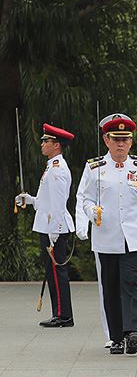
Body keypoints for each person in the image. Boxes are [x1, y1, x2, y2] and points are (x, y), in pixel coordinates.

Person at [77, 113, 137, 355]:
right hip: (105, 238)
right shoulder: (94, 168)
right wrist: (91, 212)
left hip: (133, 238)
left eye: (125, 139)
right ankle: (115, 337)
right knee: (111, 288)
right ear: (106, 140)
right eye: (116, 139)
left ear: (131, 141)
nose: (121, 143)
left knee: (130, 284)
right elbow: (83, 198)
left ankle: (132, 332)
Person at [16, 123, 75, 327]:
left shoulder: (58, 170)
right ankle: (59, 312)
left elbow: (59, 203)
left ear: (56, 145)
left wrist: (54, 232)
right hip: (47, 226)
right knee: (52, 273)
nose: (42, 144)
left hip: (53, 228)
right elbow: (45, 201)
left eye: (45, 141)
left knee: (58, 273)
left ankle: (64, 315)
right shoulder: (51, 166)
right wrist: (29, 199)